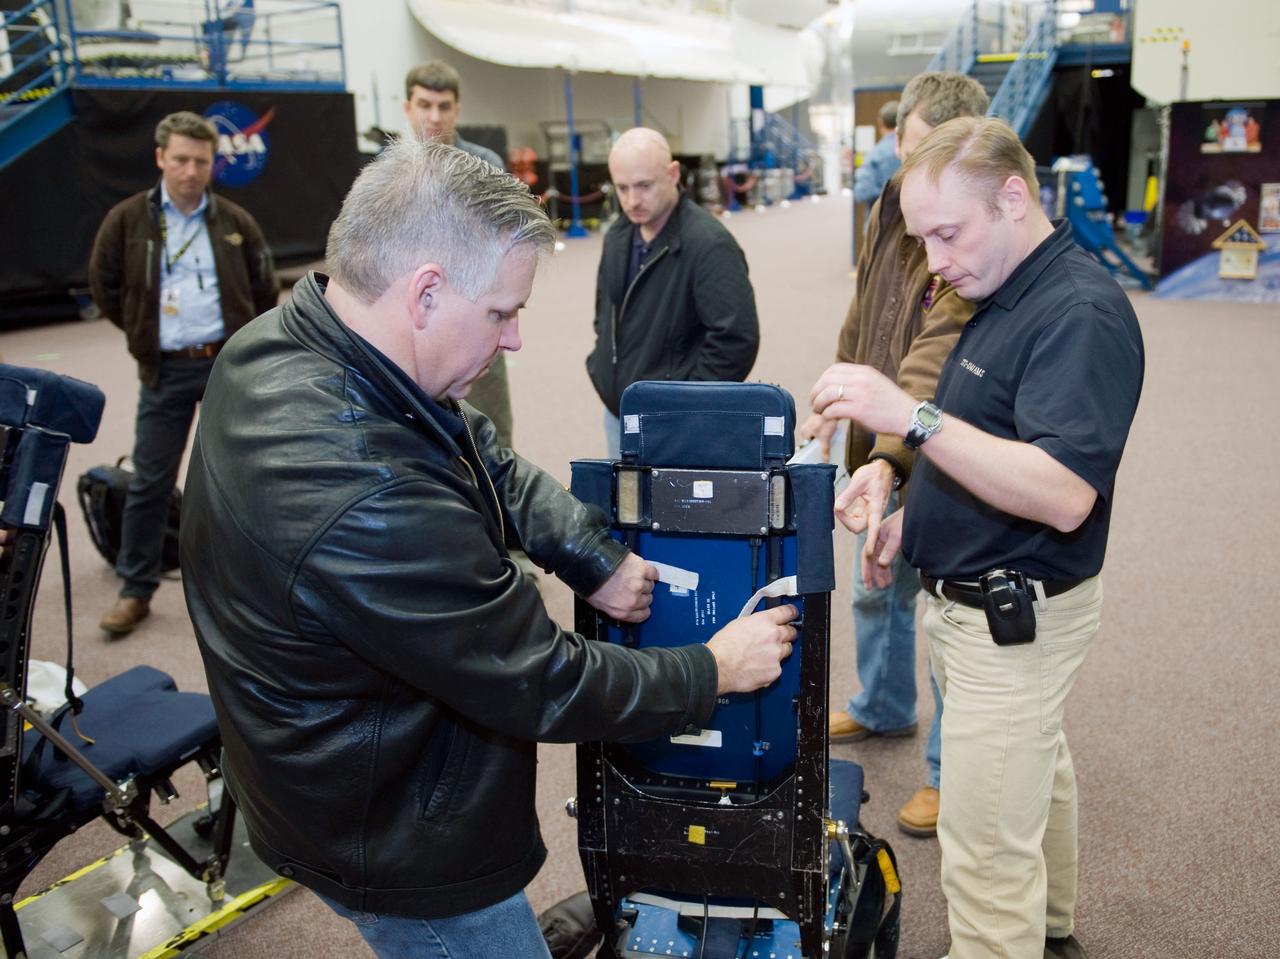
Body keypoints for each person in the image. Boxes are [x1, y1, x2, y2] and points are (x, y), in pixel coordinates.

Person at [179, 140, 798, 959]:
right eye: (503, 312)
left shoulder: (292, 341)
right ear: (427, 293)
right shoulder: (367, 490)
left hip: (335, 768)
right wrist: (711, 669)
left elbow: (475, 446)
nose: (511, 342)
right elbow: (541, 676)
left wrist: (589, 550)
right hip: (397, 836)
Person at [810, 116, 1144, 959]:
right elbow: (988, 438)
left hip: (1013, 616)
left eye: (947, 233)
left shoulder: (1078, 313)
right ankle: (1055, 925)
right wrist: (907, 517)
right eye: (922, 238)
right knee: (1038, 771)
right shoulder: (1001, 289)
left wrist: (907, 416)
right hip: (979, 610)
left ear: (1013, 197)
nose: (934, 260)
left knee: (984, 852)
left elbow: (1065, 492)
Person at [798, 72, 989, 839]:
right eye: (900, 156)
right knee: (874, 585)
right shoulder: (894, 205)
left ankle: (950, 772)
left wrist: (886, 453)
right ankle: (883, 703)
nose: (901, 176)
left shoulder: (966, 241)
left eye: (916, 159)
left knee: (948, 614)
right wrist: (838, 392)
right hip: (875, 435)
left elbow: (929, 364)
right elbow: (865, 309)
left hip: (935, 448)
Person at [89, 110, 277, 636]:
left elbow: (264, 289)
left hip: (227, 366)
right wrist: (143, 333)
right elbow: (104, 285)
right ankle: (135, 589)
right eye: (180, 160)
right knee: (150, 481)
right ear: (160, 159)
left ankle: (255, 584)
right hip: (166, 369)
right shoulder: (128, 220)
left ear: (213, 164)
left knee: (243, 479)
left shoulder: (236, 223)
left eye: (200, 161)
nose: (190, 171)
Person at [588, 127, 759, 458]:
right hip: (619, 412)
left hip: (676, 423)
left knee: (671, 508)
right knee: (624, 507)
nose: (632, 200)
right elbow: (604, 315)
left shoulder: (710, 244)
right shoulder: (618, 237)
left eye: (644, 186)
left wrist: (683, 405)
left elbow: (736, 339)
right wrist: (602, 370)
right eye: (621, 188)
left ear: (673, 174)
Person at [403, 60, 514, 448]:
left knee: (490, 438)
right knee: (412, 438)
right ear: (408, 108)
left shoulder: (486, 168)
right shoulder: (387, 172)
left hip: (476, 323)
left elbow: (507, 250)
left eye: (444, 106)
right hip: (411, 328)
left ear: (457, 110)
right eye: (425, 104)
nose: (434, 116)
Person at [852, 99, 902, 206]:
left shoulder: (875, 154)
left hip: (882, 217)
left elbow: (862, 193)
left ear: (880, 122)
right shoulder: (912, 149)